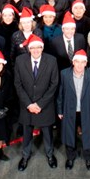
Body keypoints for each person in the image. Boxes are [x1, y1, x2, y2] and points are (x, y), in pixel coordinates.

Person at [15, 35, 60, 170]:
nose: (35, 50)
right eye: (32, 47)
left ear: (42, 48)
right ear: (29, 49)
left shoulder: (51, 61)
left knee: (47, 133)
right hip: (27, 105)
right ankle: (25, 155)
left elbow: (54, 84)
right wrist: (29, 104)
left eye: (38, 47)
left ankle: (50, 154)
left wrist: (39, 104)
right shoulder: (20, 61)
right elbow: (18, 84)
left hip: (44, 106)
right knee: (27, 133)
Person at [56, 49, 90, 170]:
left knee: (88, 134)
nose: (80, 65)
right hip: (69, 110)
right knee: (69, 134)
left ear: (86, 63)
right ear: (73, 62)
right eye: (77, 62)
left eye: (83, 62)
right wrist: (60, 110)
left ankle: (88, 158)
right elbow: (60, 94)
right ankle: (70, 157)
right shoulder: (64, 74)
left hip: (86, 110)